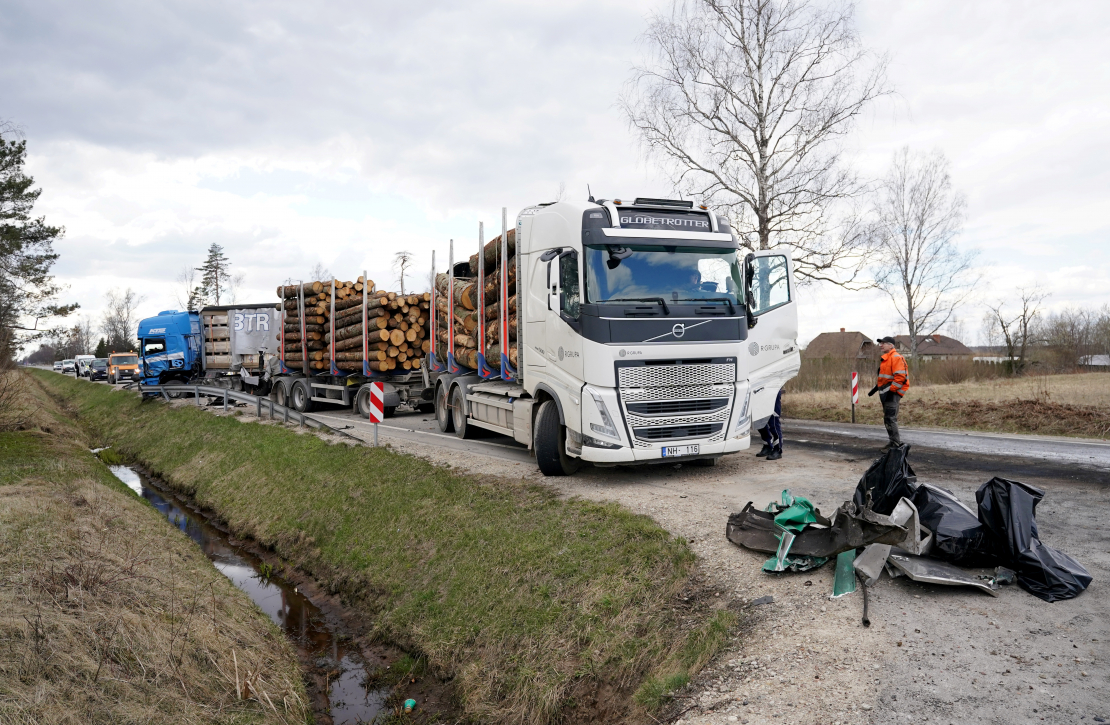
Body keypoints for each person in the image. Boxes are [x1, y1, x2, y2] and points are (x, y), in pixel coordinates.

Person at [869, 336, 909, 451]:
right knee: (888, 418)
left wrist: (892, 391)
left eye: (884, 343)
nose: (881, 345)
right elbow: (886, 378)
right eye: (880, 343)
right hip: (887, 393)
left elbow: (900, 377)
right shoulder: (887, 358)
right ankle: (893, 443)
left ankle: (895, 445)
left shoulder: (895, 357)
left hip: (892, 394)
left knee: (890, 418)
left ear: (891, 345)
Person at [756, 388, 783, 461]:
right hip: (758, 391)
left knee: (773, 422)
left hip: (772, 390)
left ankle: (778, 449)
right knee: (758, 421)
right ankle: (767, 445)